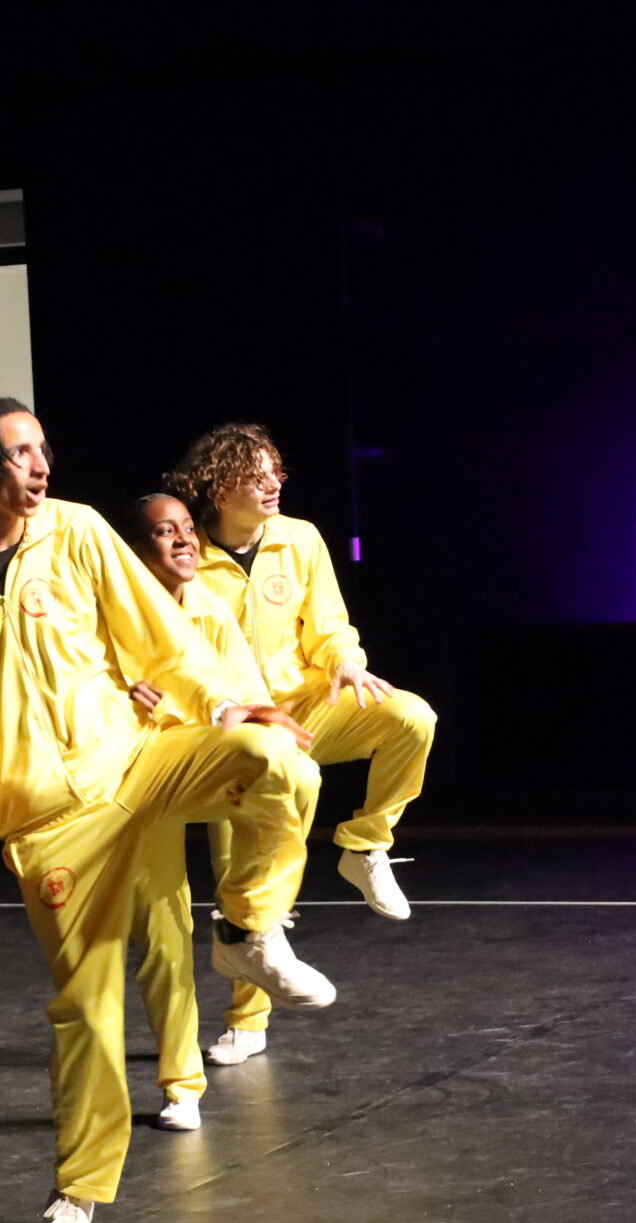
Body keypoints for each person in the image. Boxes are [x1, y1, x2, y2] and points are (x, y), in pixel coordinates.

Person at [0, 400, 328, 1223]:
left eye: (43, 447)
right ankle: (77, 1191)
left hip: (136, 759)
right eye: (20, 453)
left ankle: (248, 929)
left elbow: (161, 639)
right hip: (49, 819)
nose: (41, 464)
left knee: (280, 759)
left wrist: (225, 703)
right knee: (86, 1009)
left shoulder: (76, 529)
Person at [167, 423, 439, 1067]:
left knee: (411, 718)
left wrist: (345, 660)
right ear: (219, 486)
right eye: (256, 475)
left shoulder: (301, 538)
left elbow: (330, 625)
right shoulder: (185, 554)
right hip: (239, 733)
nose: (274, 485)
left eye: (276, 472)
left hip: (310, 706)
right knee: (240, 876)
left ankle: (365, 845)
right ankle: (247, 1019)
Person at [117, 491, 309, 1132]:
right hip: (139, 776)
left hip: (205, 764)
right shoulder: (107, 612)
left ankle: (249, 993)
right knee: (163, 932)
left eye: (186, 529)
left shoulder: (211, 611)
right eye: (163, 532)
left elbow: (246, 696)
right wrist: (118, 690)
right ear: (135, 549)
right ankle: (180, 1082)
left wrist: (251, 718)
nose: (183, 540)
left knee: (284, 793)